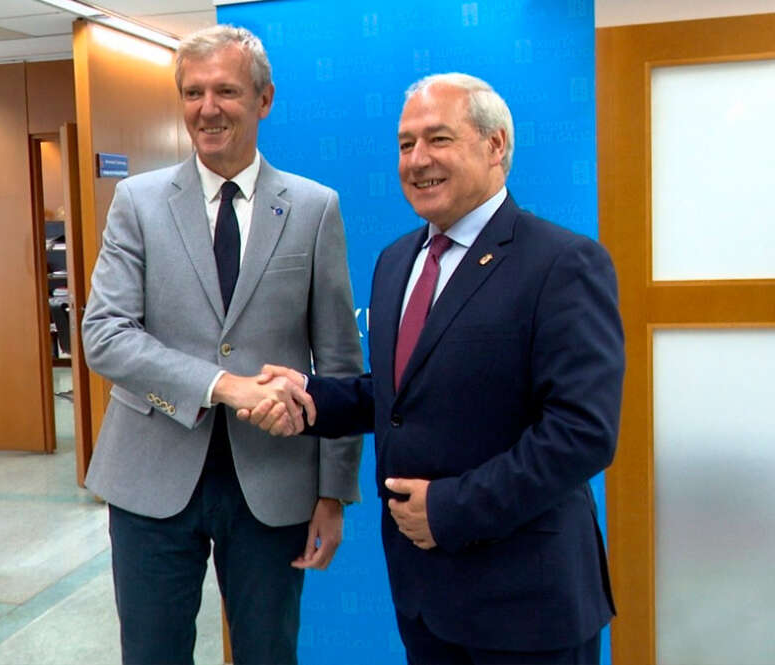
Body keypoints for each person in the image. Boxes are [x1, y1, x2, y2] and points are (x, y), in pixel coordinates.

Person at [242, 73, 624, 664]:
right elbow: (402, 394)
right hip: (425, 599)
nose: (417, 160)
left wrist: (451, 510)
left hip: (528, 605)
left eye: (438, 139)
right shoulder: (398, 260)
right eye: (405, 144)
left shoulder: (563, 263)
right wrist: (312, 399)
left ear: (495, 146)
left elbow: (582, 433)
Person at [80, 24, 363, 665]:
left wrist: (333, 493)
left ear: (264, 100)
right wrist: (222, 386)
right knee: (152, 654)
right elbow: (104, 336)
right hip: (150, 475)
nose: (208, 109)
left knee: (268, 653)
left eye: (227, 91)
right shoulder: (139, 202)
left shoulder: (316, 208)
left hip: (273, 483)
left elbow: (341, 365)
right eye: (193, 92)